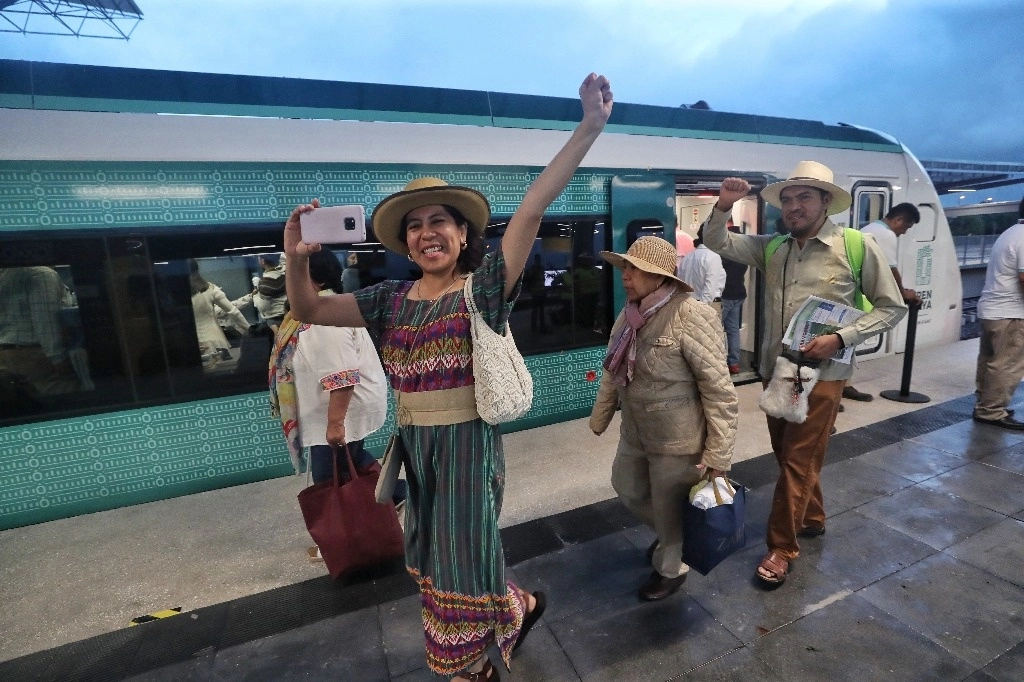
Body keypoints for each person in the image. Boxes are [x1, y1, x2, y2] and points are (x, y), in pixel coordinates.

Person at [283, 73, 613, 681]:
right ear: (406, 244)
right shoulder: (389, 300)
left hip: (467, 447)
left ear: (464, 235)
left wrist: (588, 127)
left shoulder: (485, 290)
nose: (426, 231)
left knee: (463, 564)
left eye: (440, 221)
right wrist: (291, 253)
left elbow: (534, 206)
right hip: (415, 451)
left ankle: (462, 667)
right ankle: (516, 608)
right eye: (414, 225)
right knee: (435, 561)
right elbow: (308, 309)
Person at [701, 161, 907, 587]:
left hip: (825, 374)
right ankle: (811, 517)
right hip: (776, 373)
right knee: (788, 454)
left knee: (797, 459)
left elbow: (892, 308)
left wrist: (842, 337)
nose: (794, 207)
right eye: (788, 199)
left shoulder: (855, 247)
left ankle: (781, 547)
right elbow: (716, 240)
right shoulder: (772, 247)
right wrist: (724, 204)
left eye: (804, 197)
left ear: (826, 202)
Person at [589, 236, 737, 601]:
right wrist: (601, 415)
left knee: (669, 506)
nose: (627, 276)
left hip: (679, 438)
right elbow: (612, 368)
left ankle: (672, 568)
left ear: (660, 277)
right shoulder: (630, 314)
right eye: (625, 267)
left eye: (637, 270)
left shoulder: (692, 315)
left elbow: (718, 389)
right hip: (637, 432)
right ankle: (675, 536)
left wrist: (719, 454)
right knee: (628, 487)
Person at [268, 250, 399, 562]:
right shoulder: (318, 309)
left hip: (341, 409)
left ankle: (337, 539)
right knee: (354, 464)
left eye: (294, 272)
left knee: (330, 479)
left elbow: (341, 376)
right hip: (343, 406)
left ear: (315, 279)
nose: (287, 280)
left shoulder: (320, 316)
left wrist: (335, 424)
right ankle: (402, 495)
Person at [842, 202, 923, 402]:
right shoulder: (885, 234)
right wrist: (902, 293)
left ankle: (842, 385)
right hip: (856, 295)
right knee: (844, 343)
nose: (903, 232)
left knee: (845, 343)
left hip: (852, 291)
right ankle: (835, 392)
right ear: (898, 220)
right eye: (906, 227)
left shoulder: (869, 228)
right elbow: (889, 269)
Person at [972, 196, 1024, 431]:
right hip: (1010, 312)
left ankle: (985, 403)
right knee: (1007, 363)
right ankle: (991, 410)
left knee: (989, 361)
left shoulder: (1010, 232)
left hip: (992, 309)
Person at [0, 266, 79, 396]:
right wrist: (59, 359)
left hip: (4, 356)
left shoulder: (5, 274)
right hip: (34, 356)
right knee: (68, 400)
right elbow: (46, 321)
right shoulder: (42, 274)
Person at [189, 260, 250, 368]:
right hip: (213, 340)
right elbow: (233, 312)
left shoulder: (173, 293)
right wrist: (249, 330)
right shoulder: (210, 288)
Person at [233, 253, 288, 333]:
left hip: (275, 319)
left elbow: (263, 307)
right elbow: (284, 258)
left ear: (262, 261)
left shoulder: (265, 283)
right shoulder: (286, 270)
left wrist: (256, 293)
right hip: (289, 312)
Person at [721, 220, 748, 375]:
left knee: (714, 329)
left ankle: (716, 362)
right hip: (739, 293)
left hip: (725, 295)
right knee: (733, 330)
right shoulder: (744, 247)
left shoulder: (728, 247)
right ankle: (734, 363)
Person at [675, 228, 726, 306]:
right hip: (709, 305)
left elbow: (680, 285)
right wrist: (701, 309)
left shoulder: (686, 258)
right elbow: (710, 290)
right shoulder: (713, 257)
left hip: (687, 303)